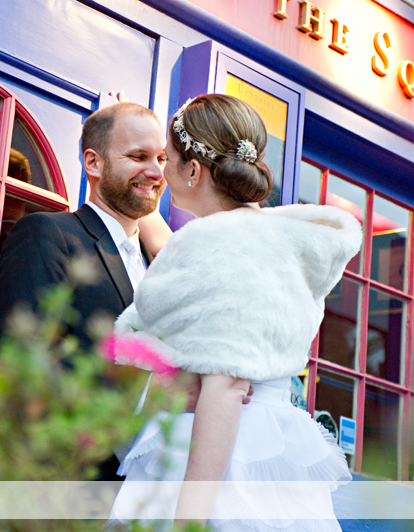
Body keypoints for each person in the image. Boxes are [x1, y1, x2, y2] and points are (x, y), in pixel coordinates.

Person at [107, 94, 359, 530]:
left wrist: (189, 518)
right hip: (267, 442)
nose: (161, 171)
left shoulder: (220, 245)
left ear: (193, 170)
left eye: (167, 158)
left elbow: (226, 385)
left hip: (216, 453)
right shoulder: (274, 241)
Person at [0, 102, 169, 354]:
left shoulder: (160, 265)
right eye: (138, 157)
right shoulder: (46, 234)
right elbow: (27, 353)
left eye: (161, 159)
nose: (157, 173)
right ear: (93, 162)